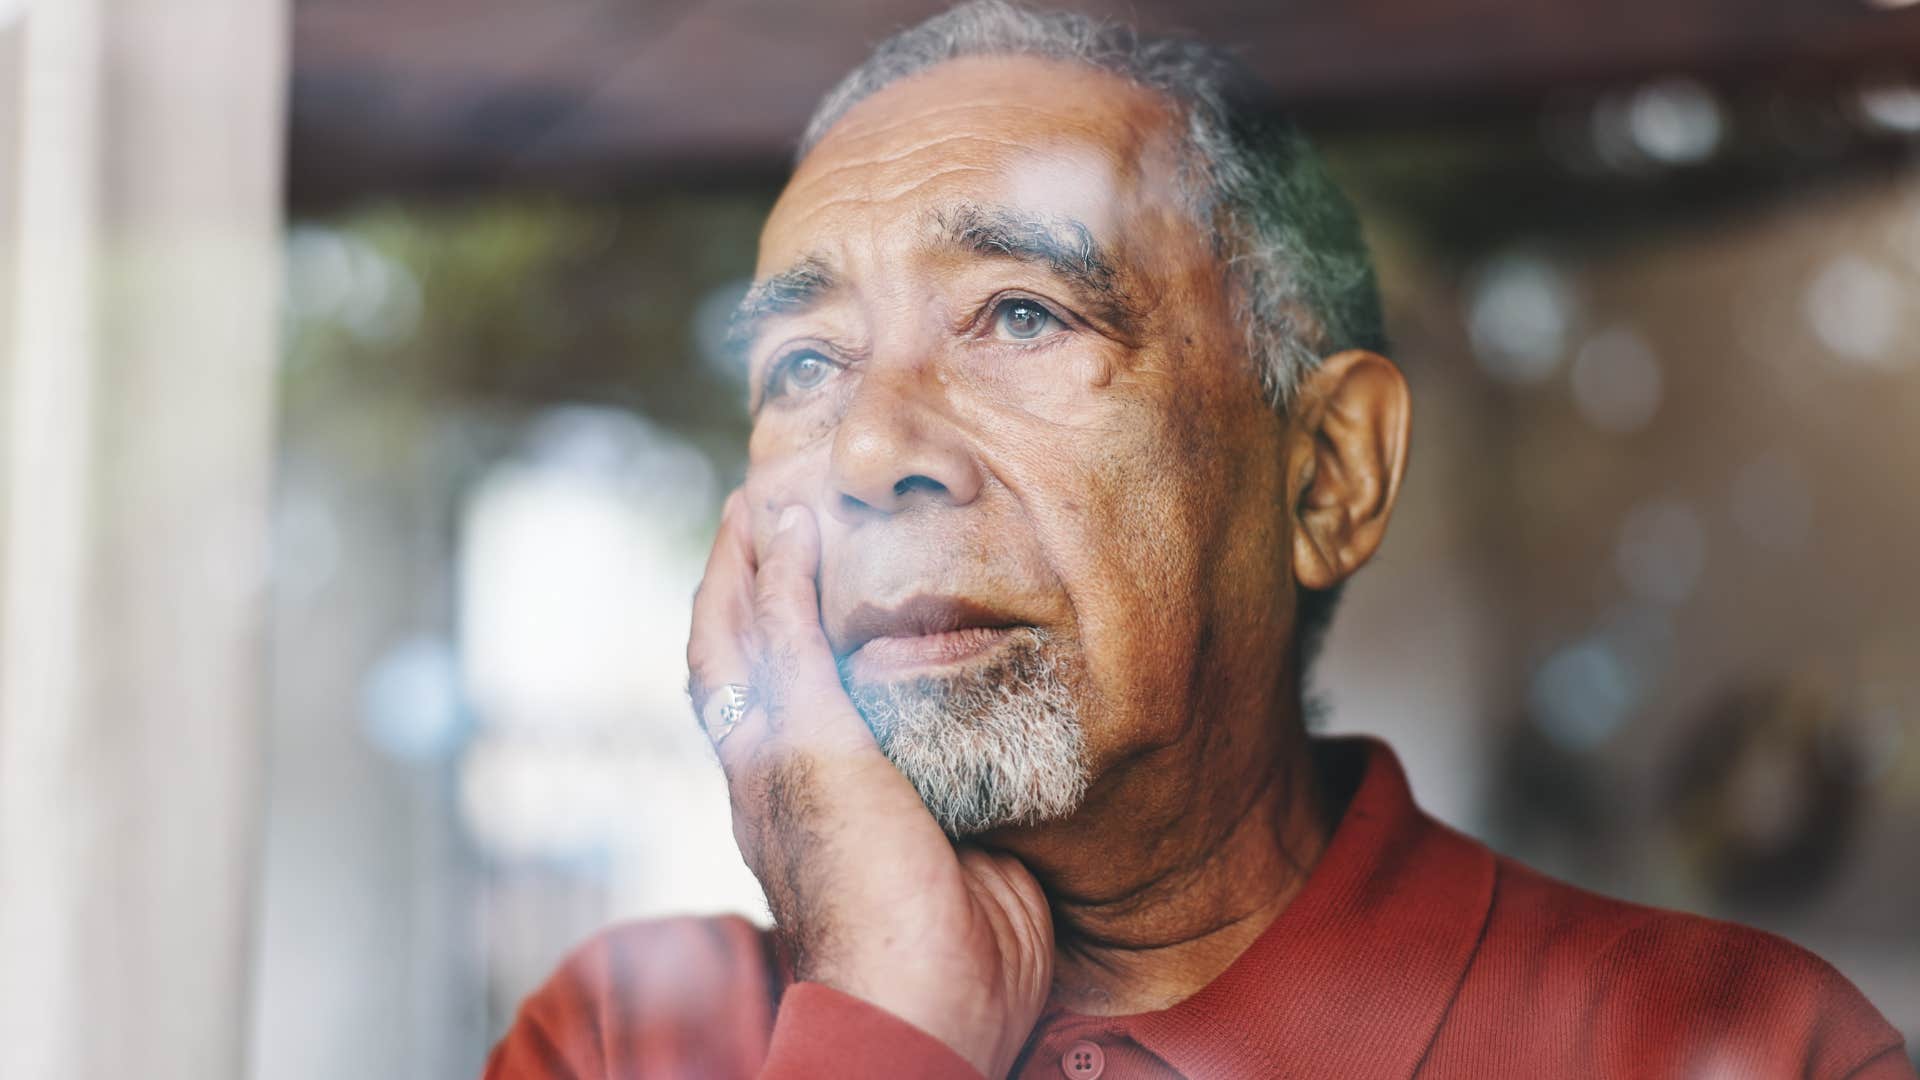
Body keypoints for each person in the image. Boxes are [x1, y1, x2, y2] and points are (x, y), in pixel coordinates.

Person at [485, 3, 1914, 1076]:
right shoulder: (628, 1038)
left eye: (1022, 313)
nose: (868, 450)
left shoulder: (1722, 1047)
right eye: (803, 363)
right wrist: (881, 1017)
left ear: (1325, 477)